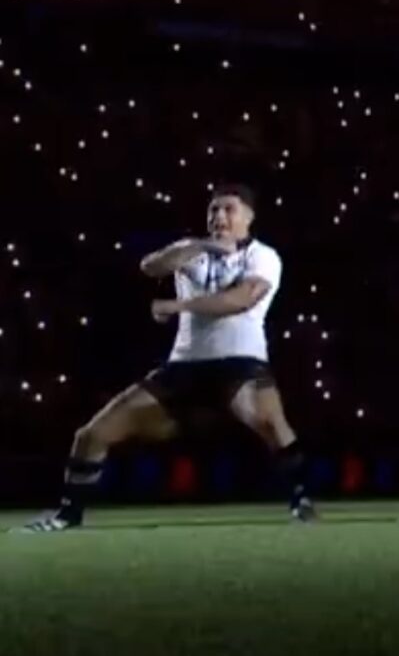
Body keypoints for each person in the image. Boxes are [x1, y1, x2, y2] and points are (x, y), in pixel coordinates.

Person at [23, 184, 311, 531]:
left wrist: (179, 306)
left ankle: (301, 500)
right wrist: (199, 244)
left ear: (249, 216)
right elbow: (151, 266)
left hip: (239, 360)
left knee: (269, 422)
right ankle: (67, 516)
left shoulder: (263, 256)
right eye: (213, 210)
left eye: (228, 209)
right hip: (183, 366)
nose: (219, 216)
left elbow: (241, 300)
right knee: (91, 435)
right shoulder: (194, 251)